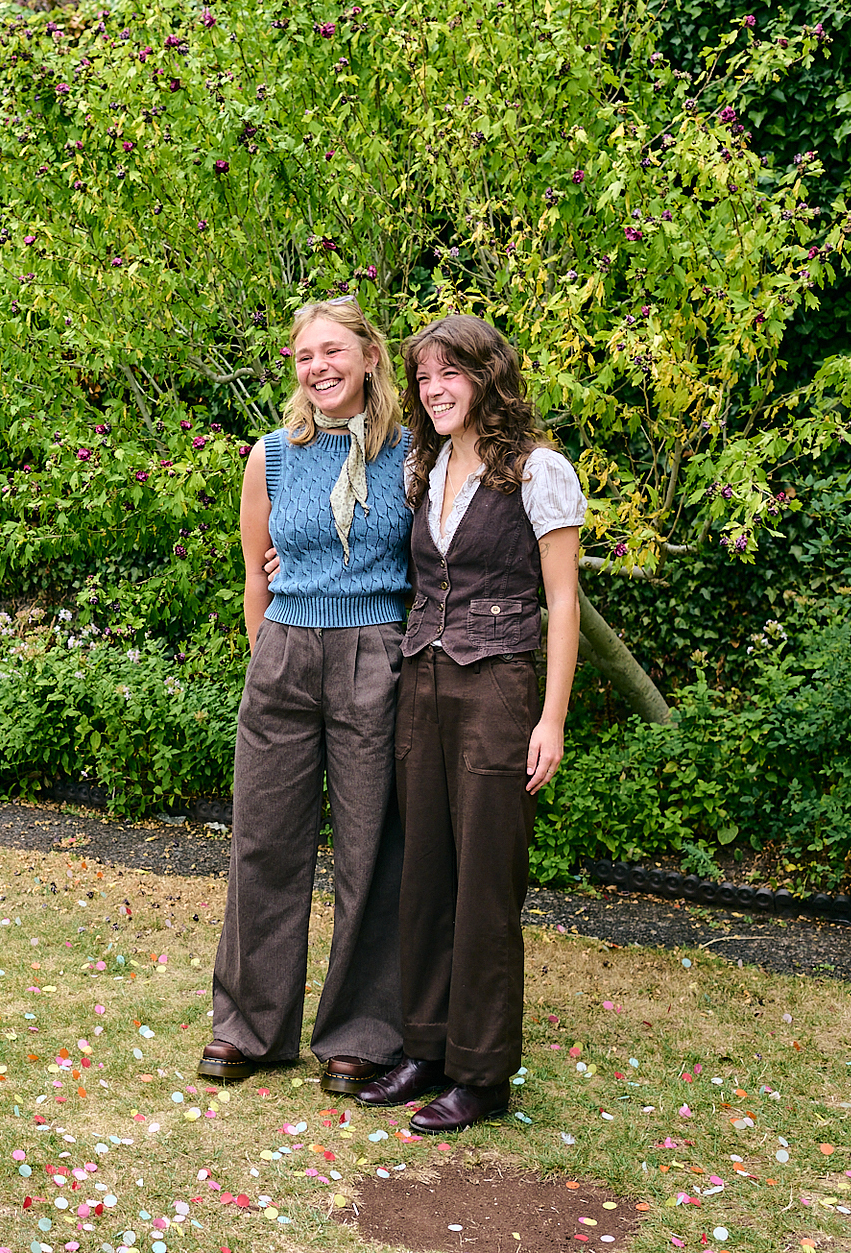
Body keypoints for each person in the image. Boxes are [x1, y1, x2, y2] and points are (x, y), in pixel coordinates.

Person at [353, 314, 583, 1132]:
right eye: (422, 377)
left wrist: (551, 719)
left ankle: (482, 1075)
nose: (433, 389)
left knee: (485, 882)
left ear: (487, 377)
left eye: (449, 373)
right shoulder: (425, 465)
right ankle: (426, 1049)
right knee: (424, 874)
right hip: (422, 683)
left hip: (499, 690)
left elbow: (563, 602)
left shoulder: (539, 470)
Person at [198, 298, 414, 1097]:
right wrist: (268, 652)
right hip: (285, 653)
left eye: (333, 351)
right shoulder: (271, 457)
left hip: (374, 653)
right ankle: (248, 1028)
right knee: (263, 841)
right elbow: (255, 570)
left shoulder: (412, 455)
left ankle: (361, 1034)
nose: (319, 367)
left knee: (371, 851)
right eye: (304, 356)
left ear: (368, 357)